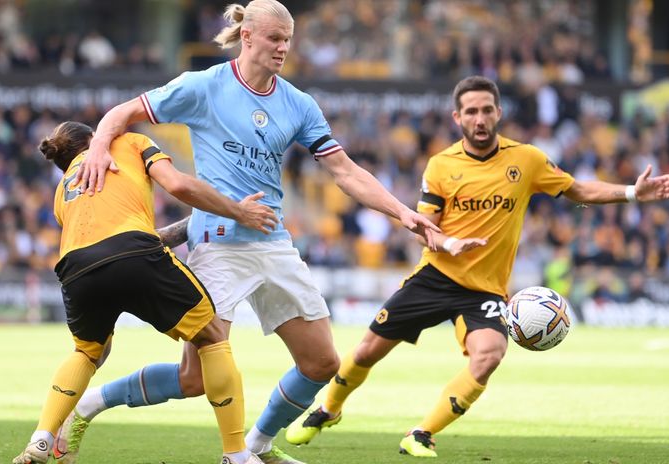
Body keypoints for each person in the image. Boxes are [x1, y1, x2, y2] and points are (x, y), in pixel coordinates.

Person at [61, 1, 440, 464]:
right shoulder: (203, 87)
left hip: (273, 244)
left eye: (288, 40)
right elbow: (122, 113)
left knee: (323, 363)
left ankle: (258, 445)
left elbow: (344, 171)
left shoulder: (299, 103)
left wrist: (404, 213)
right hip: (218, 247)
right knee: (194, 379)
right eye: (274, 38)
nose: (283, 48)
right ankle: (91, 403)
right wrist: (99, 147)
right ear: (247, 37)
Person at [284, 75, 669, 457]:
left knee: (489, 355)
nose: (479, 118)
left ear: (498, 113)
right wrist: (448, 241)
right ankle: (329, 409)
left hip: (486, 290)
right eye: (471, 111)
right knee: (368, 350)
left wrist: (632, 192)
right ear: (457, 118)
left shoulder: (526, 160)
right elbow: (425, 227)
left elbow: (578, 189)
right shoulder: (442, 165)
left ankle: (421, 434)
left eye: (486, 110)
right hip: (437, 275)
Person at [11, 121, 279, 464]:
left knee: (87, 352)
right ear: (95, 139)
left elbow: (104, 242)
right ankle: (236, 455)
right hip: (134, 251)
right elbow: (177, 185)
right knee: (211, 337)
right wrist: (235, 210)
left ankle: (42, 439)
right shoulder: (129, 142)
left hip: (75, 267)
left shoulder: (63, 188)